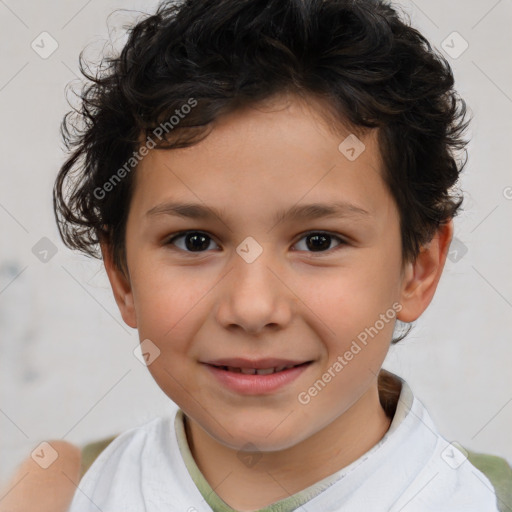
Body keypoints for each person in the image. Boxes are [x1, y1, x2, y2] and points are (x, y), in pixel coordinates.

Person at [43, 0, 511, 510]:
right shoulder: (62, 490)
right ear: (122, 275)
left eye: (318, 241)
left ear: (417, 271)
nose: (252, 308)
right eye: (195, 241)